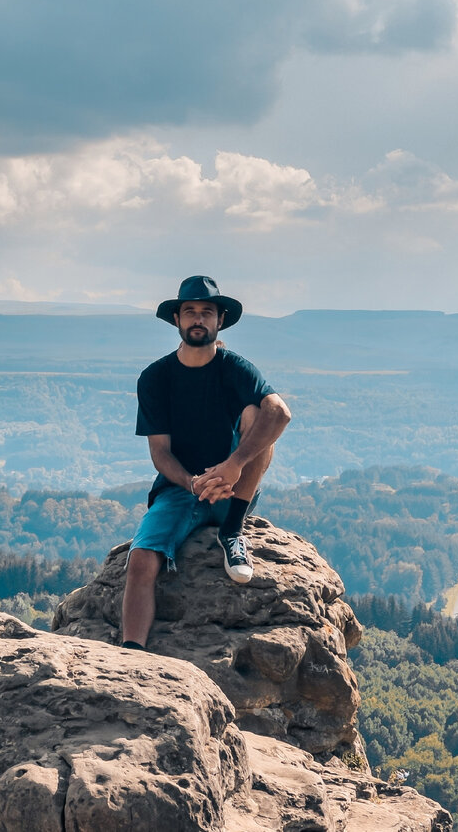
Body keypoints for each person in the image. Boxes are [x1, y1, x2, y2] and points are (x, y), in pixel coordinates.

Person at [120, 275, 291, 650]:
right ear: (177, 319)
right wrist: (192, 482)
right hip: (180, 489)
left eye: (207, 312)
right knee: (141, 560)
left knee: (259, 415)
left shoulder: (236, 369)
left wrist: (233, 465)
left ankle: (232, 532)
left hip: (233, 488)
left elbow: (280, 413)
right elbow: (160, 452)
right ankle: (132, 654)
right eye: (190, 312)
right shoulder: (156, 378)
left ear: (220, 320)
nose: (198, 319)